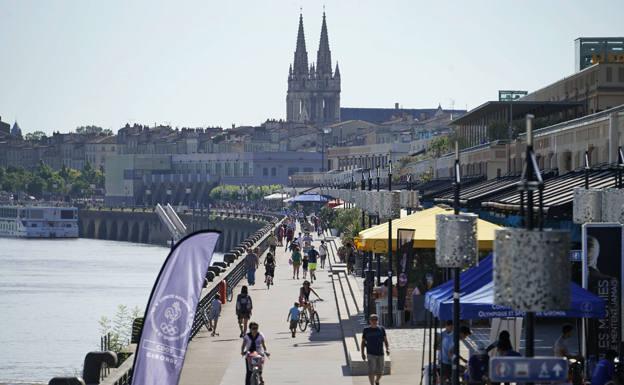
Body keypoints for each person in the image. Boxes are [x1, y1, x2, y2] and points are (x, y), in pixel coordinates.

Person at [360, 314, 390, 385]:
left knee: (381, 371)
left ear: (378, 320)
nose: (374, 321)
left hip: (380, 353)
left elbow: (385, 340)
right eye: (372, 320)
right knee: (371, 371)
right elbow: (363, 342)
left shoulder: (381, 329)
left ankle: (377, 381)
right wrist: (362, 353)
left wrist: (387, 349)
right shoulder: (366, 330)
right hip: (370, 353)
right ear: (369, 321)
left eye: (376, 319)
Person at [439, 321, 454, 385]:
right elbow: (436, 345)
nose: (451, 329)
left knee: (450, 376)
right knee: (443, 376)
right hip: (442, 358)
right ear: (446, 326)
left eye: (452, 327)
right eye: (450, 327)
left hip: (450, 360)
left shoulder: (454, 335)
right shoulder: (442, 334)